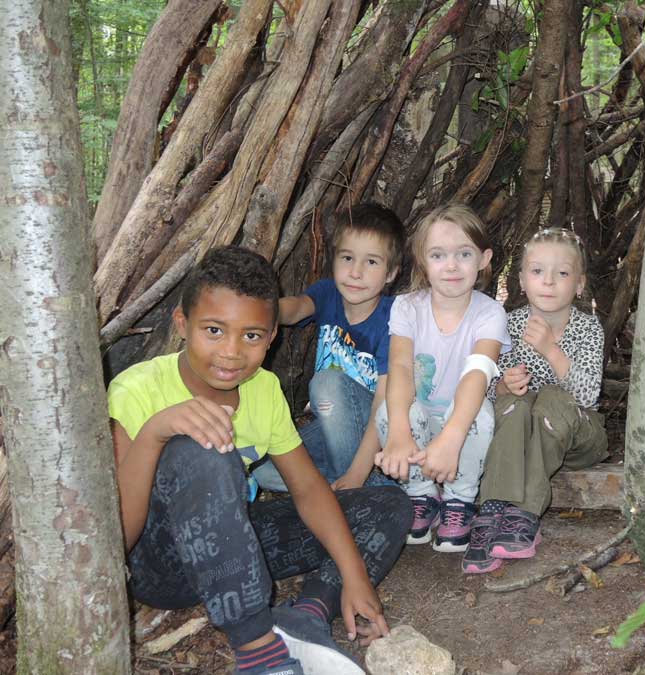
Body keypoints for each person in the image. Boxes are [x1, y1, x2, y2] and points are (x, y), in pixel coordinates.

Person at [108, 246, 412, 675]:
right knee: (202, 447)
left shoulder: (263, 389)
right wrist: (158, 430)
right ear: (182, 324)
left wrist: (353, 571)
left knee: (390, 505)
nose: (231, 352)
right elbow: (118, 537)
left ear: (271, 338)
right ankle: (258, 649)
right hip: (160, 565)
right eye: (214, 330)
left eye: (251, 335)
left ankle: (307, 615)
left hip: (232, 545)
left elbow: (307, 488)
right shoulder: (136, 390)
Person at [462, 227, 609, 574]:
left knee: (551, 399)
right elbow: (483, 391)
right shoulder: (507, 325)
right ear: (522, 281)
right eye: (537, 271)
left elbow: (587, 396)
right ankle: (494, 509)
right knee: (515, 404)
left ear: (579, 284)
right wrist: (503, 387)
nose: (548, 281)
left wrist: (550, 350)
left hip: (578, 438)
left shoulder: (589, 329)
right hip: (520, 437)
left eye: (562, 273)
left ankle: (525, 511)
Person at [374, 204, 511, 552]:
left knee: (478, 413)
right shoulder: (406, 307)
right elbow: (401, 368)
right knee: (391, 413)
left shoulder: (490, 313)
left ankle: (458, 501)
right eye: (438, 254)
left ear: (484, 259)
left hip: (461, 425)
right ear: (422, 260)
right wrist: (400, 435)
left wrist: (451, 437)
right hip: (421, 421)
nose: (451, 265)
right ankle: (421, 496)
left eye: (464, 254)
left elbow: (477, 374)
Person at [252, 204, 404, 493]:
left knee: (327, 382)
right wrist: (257, 309)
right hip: (333, 431)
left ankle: (354, 490)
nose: (356, 272)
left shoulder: (394, 318)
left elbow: (384, 404)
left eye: (371, 262)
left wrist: (357, 473)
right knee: (265, 470)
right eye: (347, 258)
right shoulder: (327, 293)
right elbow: (295, 310)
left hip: (379, 431)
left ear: (391, 273)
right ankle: (365, 488)